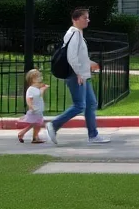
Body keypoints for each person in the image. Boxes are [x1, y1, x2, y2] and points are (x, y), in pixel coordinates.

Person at [45, 8, 109, 145]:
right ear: (75, 19)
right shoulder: (74, 34)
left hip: (83, 75)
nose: (88, 20)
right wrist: (78, 73)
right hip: (77, 76)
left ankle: (93, 135)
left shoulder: (78, 34)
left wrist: (91, 64)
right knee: (80, 105)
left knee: (91, 103)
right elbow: (71, 57)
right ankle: (54, 125)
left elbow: (80, 57)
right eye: (85, 18)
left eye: (87, 17)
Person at [16, 68, 48, 144]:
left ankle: (32, 137)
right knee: (37, 124)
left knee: (36, 124)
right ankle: (26, 135)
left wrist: (43, 89)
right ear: (33, 79)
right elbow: (29, 99)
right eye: (38, 76)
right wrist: (31, 106)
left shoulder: (36, 88)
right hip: (35, 110)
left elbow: (39, 95)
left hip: (38, 109)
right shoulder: (31, 89)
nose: (41, 78)